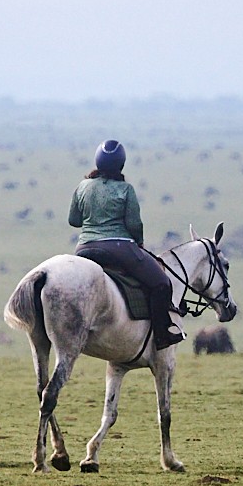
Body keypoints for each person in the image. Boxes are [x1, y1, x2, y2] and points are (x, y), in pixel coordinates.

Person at [70, 139, 183, 349]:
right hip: (119, 249)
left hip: (84, 249)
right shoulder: (125, 189)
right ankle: (161, 336)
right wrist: (139, 243)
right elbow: (134, 223)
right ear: (121, 164)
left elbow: (74, 220)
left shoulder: (83, 186)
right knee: (161, 283)